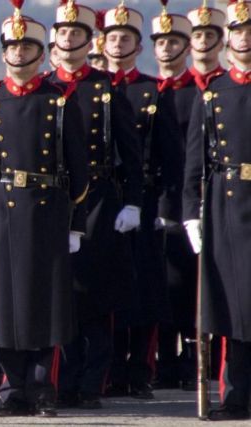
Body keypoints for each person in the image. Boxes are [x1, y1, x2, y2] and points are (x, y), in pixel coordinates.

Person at [0, 3, 88, 416]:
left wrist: (76, 224)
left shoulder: (59, 102)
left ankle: (41, 390)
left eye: (28, 46)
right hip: (2, 210)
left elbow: (79, 168)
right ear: (3, 53)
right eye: (13, 47)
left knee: (46, 303)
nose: (19, 53)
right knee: (5, 305)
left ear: (43, 53)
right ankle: (11, 389)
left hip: (48, 209)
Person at [48, 0, 143, 409]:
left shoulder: (105, 89)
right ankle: (62, 381)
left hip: (100, 201)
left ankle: (91, 384)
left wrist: (133, 203)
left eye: (77, 34)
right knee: (61, 295)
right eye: (64, 33)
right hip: (52, 201)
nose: (69, 40)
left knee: (95, 295)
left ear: (90, 41)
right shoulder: (44, 88)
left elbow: (132, 153)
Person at [102, 1, 182, 399]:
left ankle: (139, 370)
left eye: (126, 39)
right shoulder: (94, 89)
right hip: (101, 198)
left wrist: (166, 209)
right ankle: (111, 368)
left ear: (138, 47)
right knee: (108, 287)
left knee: (145, 289)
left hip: (144, 199)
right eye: (112, 37)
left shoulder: (153, 91)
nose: (118, 44)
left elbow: (172, 157)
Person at [182, 0, 251, 420]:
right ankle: (236, 394)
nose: (246, 38)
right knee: (234, 306)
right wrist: (192, 212)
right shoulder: (213, 91)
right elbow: (196, 161)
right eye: (240, 31)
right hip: (227, 204)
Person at [149, 4, 197, 391]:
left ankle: (188, 361)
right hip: (152, 200)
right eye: (161, 42)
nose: (166, 49)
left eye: (174, 41)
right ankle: (163, 358)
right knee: (158, 283)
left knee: (186, 284)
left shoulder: (200, 93)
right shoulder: (149, 90)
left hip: (189, 198)